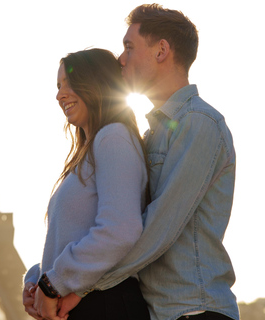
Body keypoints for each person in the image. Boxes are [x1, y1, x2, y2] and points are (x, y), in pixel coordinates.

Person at [55, 4, 240, 320]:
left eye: (129, 47)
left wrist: (80, 286)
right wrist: (46, 274)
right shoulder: (150, 136)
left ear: (161, 51)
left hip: (194, 311)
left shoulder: (198, 123)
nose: (121, 59)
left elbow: (159, 227)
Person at [22, 48, 150, 320]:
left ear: (97, 83)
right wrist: (36, 280)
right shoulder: (90, 152)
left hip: (105, 304)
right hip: (91, 303)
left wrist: (52, 283)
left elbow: (120, 230)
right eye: (58, 87)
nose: (59, 95)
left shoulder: (113, 137)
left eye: (69, 83)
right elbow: (72, 235)